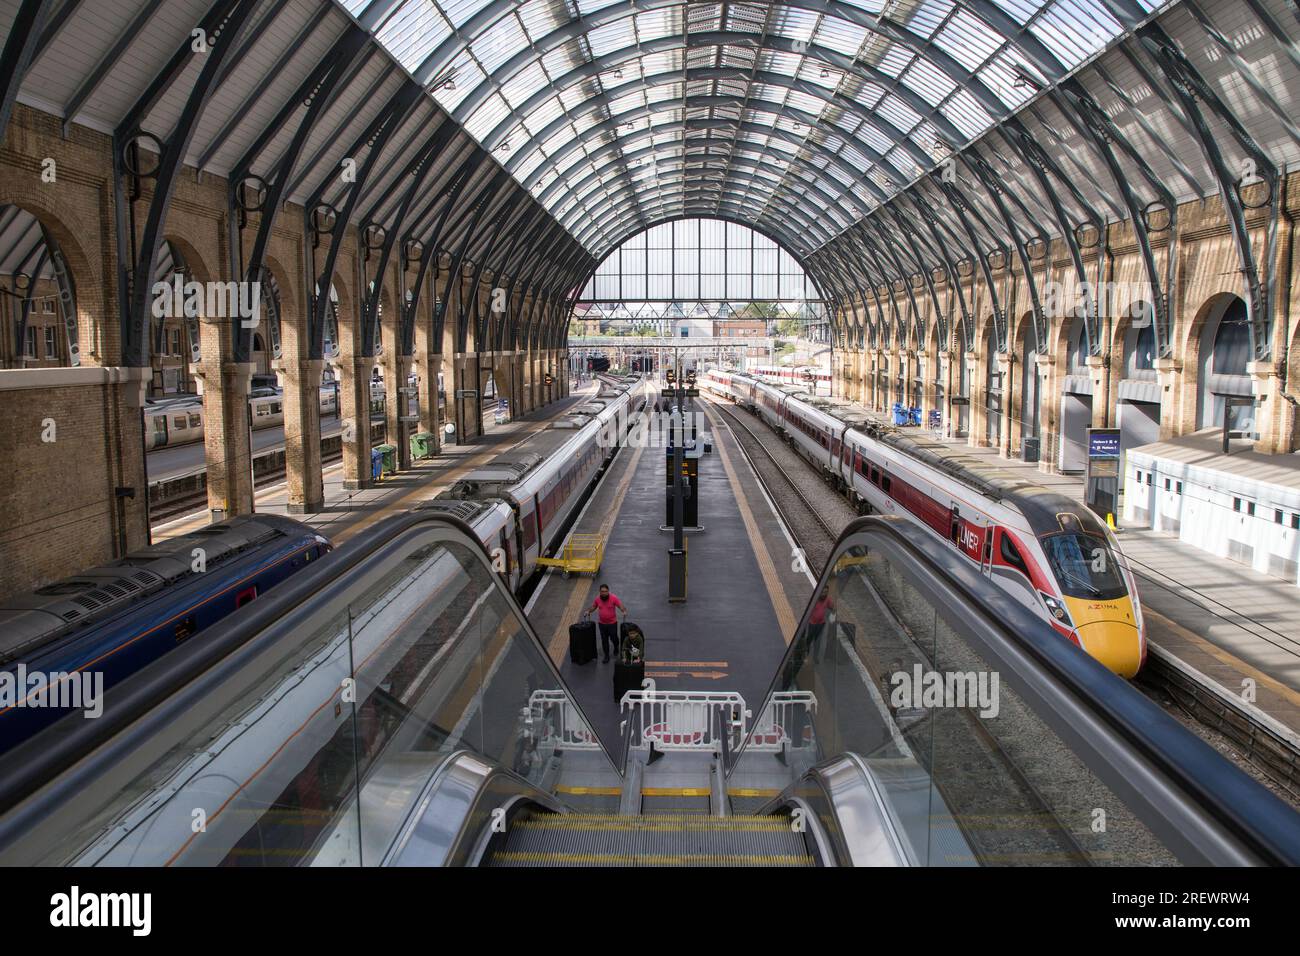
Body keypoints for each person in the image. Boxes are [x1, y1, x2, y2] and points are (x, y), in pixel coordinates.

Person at [584, 583, 628, 663]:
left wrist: (624, 611)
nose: (604, 593)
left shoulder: (613, 598)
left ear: (608, 591)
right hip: (602, 624)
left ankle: (616, 646)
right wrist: (588, 611)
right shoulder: (597, 599)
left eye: (605, 591)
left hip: (612, 623)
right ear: (600, 592)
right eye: (602, 591)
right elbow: (594, 607)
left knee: (614, 638)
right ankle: (606, 656)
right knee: (604, 640)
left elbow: (620, 605)